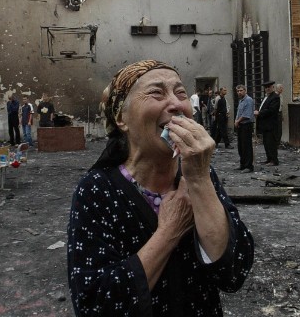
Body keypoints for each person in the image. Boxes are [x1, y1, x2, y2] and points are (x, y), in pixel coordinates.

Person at [67, 60, 254, 316]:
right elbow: (95, 305)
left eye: (181, 93)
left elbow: (234, 273)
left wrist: (199, 179)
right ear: (122, 117)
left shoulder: (199, 171)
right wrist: (169, 231)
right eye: (156, 92)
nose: (176, 104)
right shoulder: (97, 190)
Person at [254, 81, 281, 166]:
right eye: (266, 87)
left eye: (269, 87)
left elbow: (271, 110)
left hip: (271, 125)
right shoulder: (266, 97)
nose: (267, 89)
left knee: (271, 143)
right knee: (266, 143)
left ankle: (274, 160)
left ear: (273, 87)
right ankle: (269, 159)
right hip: (265, 125)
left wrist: (259, 113)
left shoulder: (275, 97)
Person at [234, 85, 255, 173]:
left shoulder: (248, 100)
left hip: (246, 125)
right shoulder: (241, 101)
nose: (239, 92)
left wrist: (238, 121)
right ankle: (242, 164)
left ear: (245, 91)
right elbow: (239, 112)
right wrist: (237, 121)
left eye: (241, 90)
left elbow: (247, 115)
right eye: (238, 91)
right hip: (241, 126)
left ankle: (248, 166)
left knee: (246, 146)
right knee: (241, 146)